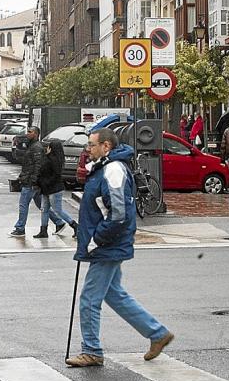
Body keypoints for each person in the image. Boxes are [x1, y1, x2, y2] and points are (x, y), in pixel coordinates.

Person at [66, 128, 173, 367]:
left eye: (91, 145)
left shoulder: (113, 170)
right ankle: (157, 333)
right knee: (114, 294)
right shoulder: (107, 167)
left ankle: (92, 350)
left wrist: (96, 240)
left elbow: (118, 214)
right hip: (109, 244)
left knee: (89, 299)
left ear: (106, 147)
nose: (87, 150)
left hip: (107, 245)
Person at [10, 126, 67, 238]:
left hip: (30, 182)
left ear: (36, 134)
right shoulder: (32, 146)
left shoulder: (36, 147)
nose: (27, 134)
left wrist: (33, 181)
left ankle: (20, 228)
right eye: (27, 131)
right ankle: (59, 222)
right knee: (41, 205)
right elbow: (29, 165)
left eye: (30, 132)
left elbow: (38, 166)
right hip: (30, 180)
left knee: (23, 204)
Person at [35, 139, 77, 239]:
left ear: (51, 148)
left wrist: (45, 182)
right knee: (44, 209)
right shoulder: (53, 158)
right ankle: (43, 230)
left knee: (58, 210)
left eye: (48, 147)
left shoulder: (52, 160)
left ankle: (75, 225)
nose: (47, 148)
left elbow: (55, 175)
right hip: (46, 189)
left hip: (54, 189)